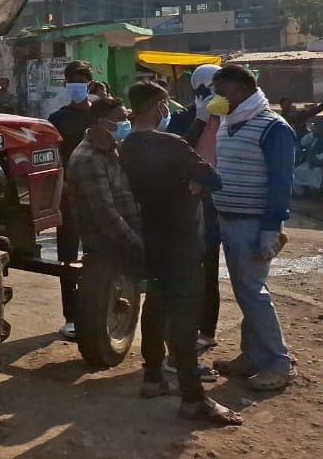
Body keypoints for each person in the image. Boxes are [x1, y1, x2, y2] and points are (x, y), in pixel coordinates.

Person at [120, 82, 243, 425]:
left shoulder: (127, 146)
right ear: (160, 106)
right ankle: (193, 398)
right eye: (165, 105)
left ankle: (153, 378)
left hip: (154, 237)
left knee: (156, 306)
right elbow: (214, 179)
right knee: (185, 319)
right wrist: (197, 182)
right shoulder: (171, 144)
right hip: (183, 241)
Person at [207, 64, 295, 390]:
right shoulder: (230, 123)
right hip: (229, 220)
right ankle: (253, 355)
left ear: (242, 92)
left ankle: (279, 362)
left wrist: (271, 229)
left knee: (253, 293)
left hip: (254, 223)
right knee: (246, 291)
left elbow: (281, 182)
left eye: (223, 94)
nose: (217, 100)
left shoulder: (274, 128)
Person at [47, 60, 112, 339]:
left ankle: (101, 312)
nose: (75, 86)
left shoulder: (100, 114)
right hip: (70, 195)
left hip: (100, 192)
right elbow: (53, 158)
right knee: (67, 256)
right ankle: (71, 316)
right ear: (65, 85)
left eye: (81, 82)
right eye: (71, 82)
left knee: (101, 253)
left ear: (89, 83)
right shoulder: (58, 118)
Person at [165, 64, 225, 352]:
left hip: (229, 199)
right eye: (212, 88)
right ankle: (194, 330)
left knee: (215, 270)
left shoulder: (232, 118)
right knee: (197, 268)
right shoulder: (181, 120)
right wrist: (199, 120)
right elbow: (175, 152)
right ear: (200, 89)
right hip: (196, 202)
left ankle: (208, 329)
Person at [64, 97, 144, 271]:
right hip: (110, 246)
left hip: (127, 237)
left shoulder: (113, 149)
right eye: (120, 119)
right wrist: (138, 245)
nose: (126, 123)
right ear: (102, 122)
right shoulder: (89, 159)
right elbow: (105, 213)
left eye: (127, 118)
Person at [293, 118, 323, 196]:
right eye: (317, 128)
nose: (319, 131)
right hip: (312, 162)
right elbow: (303, 142)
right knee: (296, 171)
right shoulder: (315, 136)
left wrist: (316, 158)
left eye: (320, 128)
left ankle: (316, 192)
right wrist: (312, 134)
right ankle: (301, 192)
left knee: (316, 172)